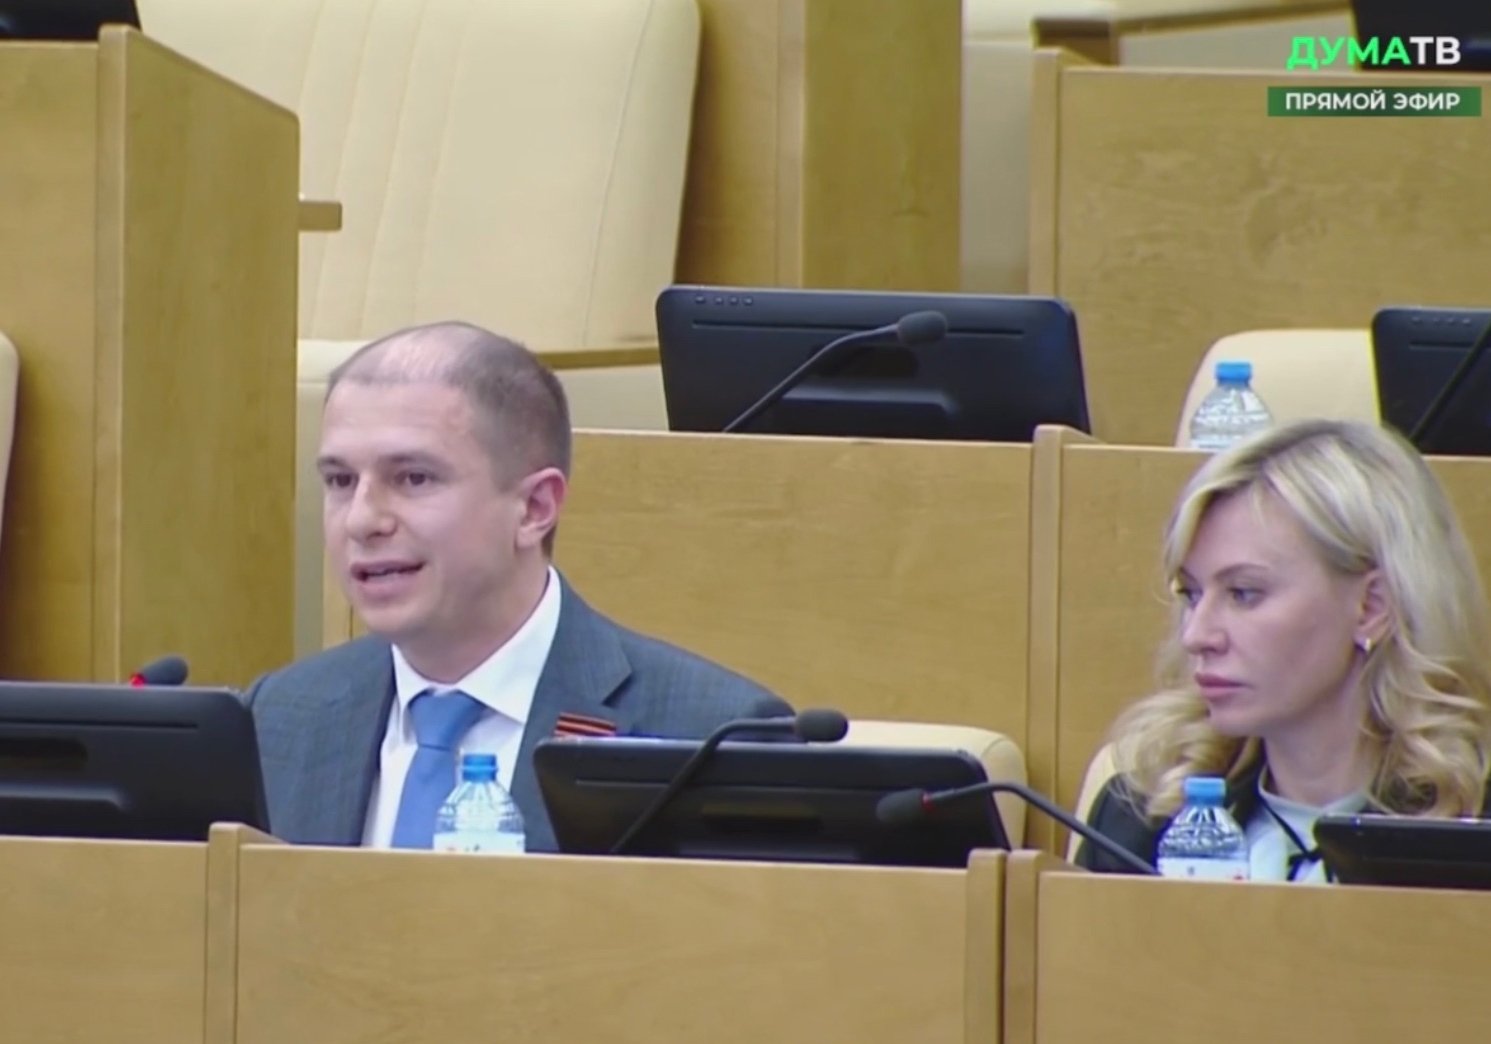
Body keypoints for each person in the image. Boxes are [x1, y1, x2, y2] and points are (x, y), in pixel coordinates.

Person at [245, 321, 793, 851]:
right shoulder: (276, 719)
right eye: (340, 480)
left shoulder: (711, 736)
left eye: (413, 478)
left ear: (534, 508)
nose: (362, 520)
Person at [1077, 419, 1491, 881]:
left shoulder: (1473, 824)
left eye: (1244, 593)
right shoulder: (1138, 827)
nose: (1196, 635)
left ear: (1371, 607)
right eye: (1192, 594)